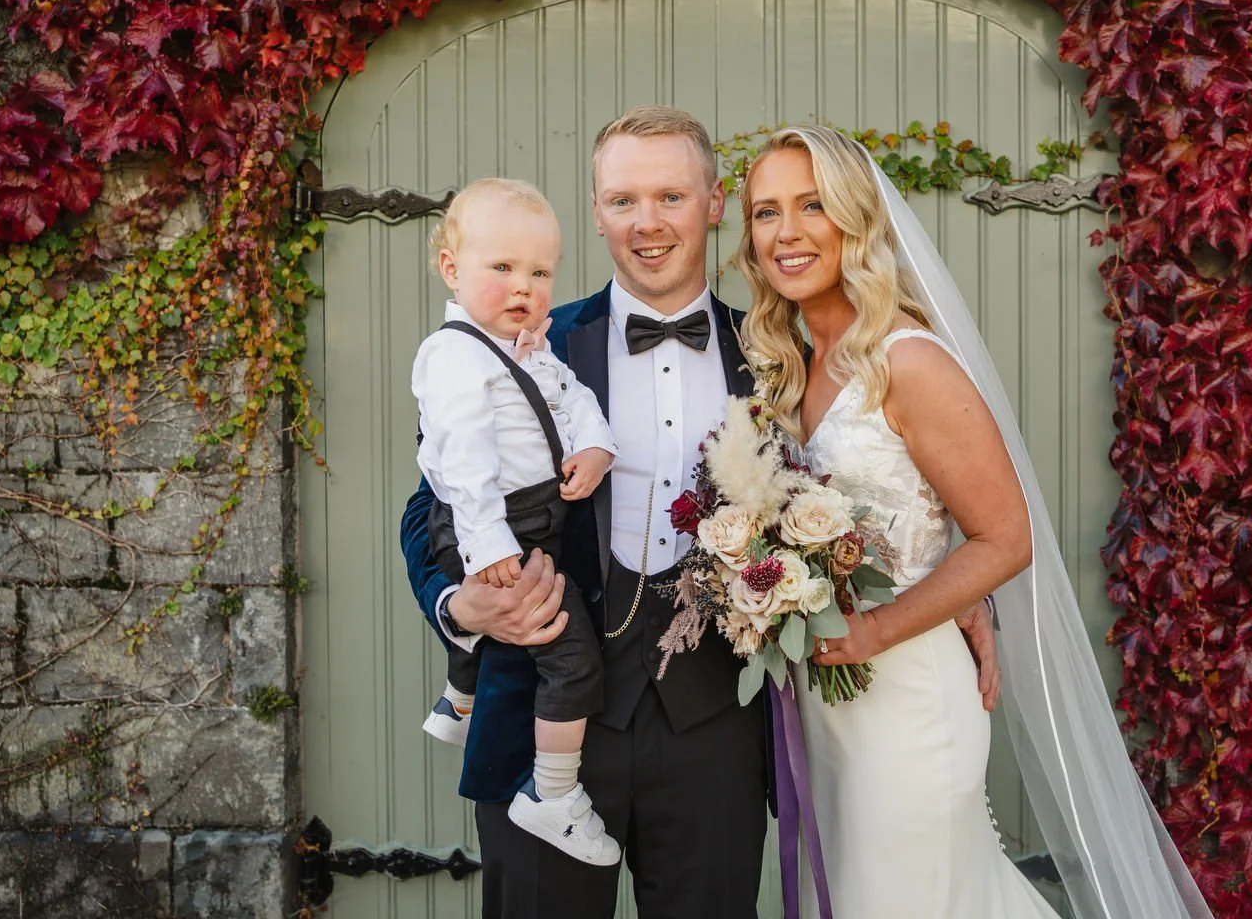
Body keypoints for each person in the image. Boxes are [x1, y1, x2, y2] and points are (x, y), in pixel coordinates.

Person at [399, 106, 1002, 919]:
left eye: (672, 197)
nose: (647, 224)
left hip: (716, 728)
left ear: (715, 204)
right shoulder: (526, 346)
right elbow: (428, 502)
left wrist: (964, 594)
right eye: (622, 201)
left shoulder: (780, 359)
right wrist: (457, 604)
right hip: (543, 727)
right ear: (596, 209)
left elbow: (875, 484)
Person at [734, 125, 1213, 919]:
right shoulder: (784, 367)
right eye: (765, 212)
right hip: (822, 706)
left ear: (857, 218)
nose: (787, 233)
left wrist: (881, 629)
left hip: (909, 701)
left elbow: (1007, 536)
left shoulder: (909, 362)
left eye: (813, 206)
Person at [411, 178, 620, 866]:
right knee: (570, 657)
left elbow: (569, 397)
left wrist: (595, 445)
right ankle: (551, 795)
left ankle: (455, 698)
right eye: (501, 267)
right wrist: (486, 546)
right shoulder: (452, 356)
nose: (523, 285)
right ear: (452, 268)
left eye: (539, 271)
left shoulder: (525, 344)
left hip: (534, 516)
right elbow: (461, 467)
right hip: (500, 525)